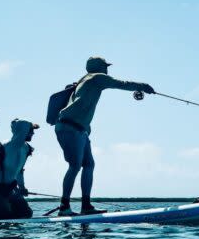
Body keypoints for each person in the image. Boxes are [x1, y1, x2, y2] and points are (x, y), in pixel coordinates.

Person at [55, 56, 154, 216]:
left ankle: (86, 206)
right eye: (105, 66)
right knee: (75, 165)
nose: (107, 69)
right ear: (98, 67)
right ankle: (64, 207)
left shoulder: (84, 80)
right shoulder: (97, 77)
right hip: (69, 127)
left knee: (89, 165)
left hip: (79, 129)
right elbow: (121, 84)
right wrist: (143, 86)